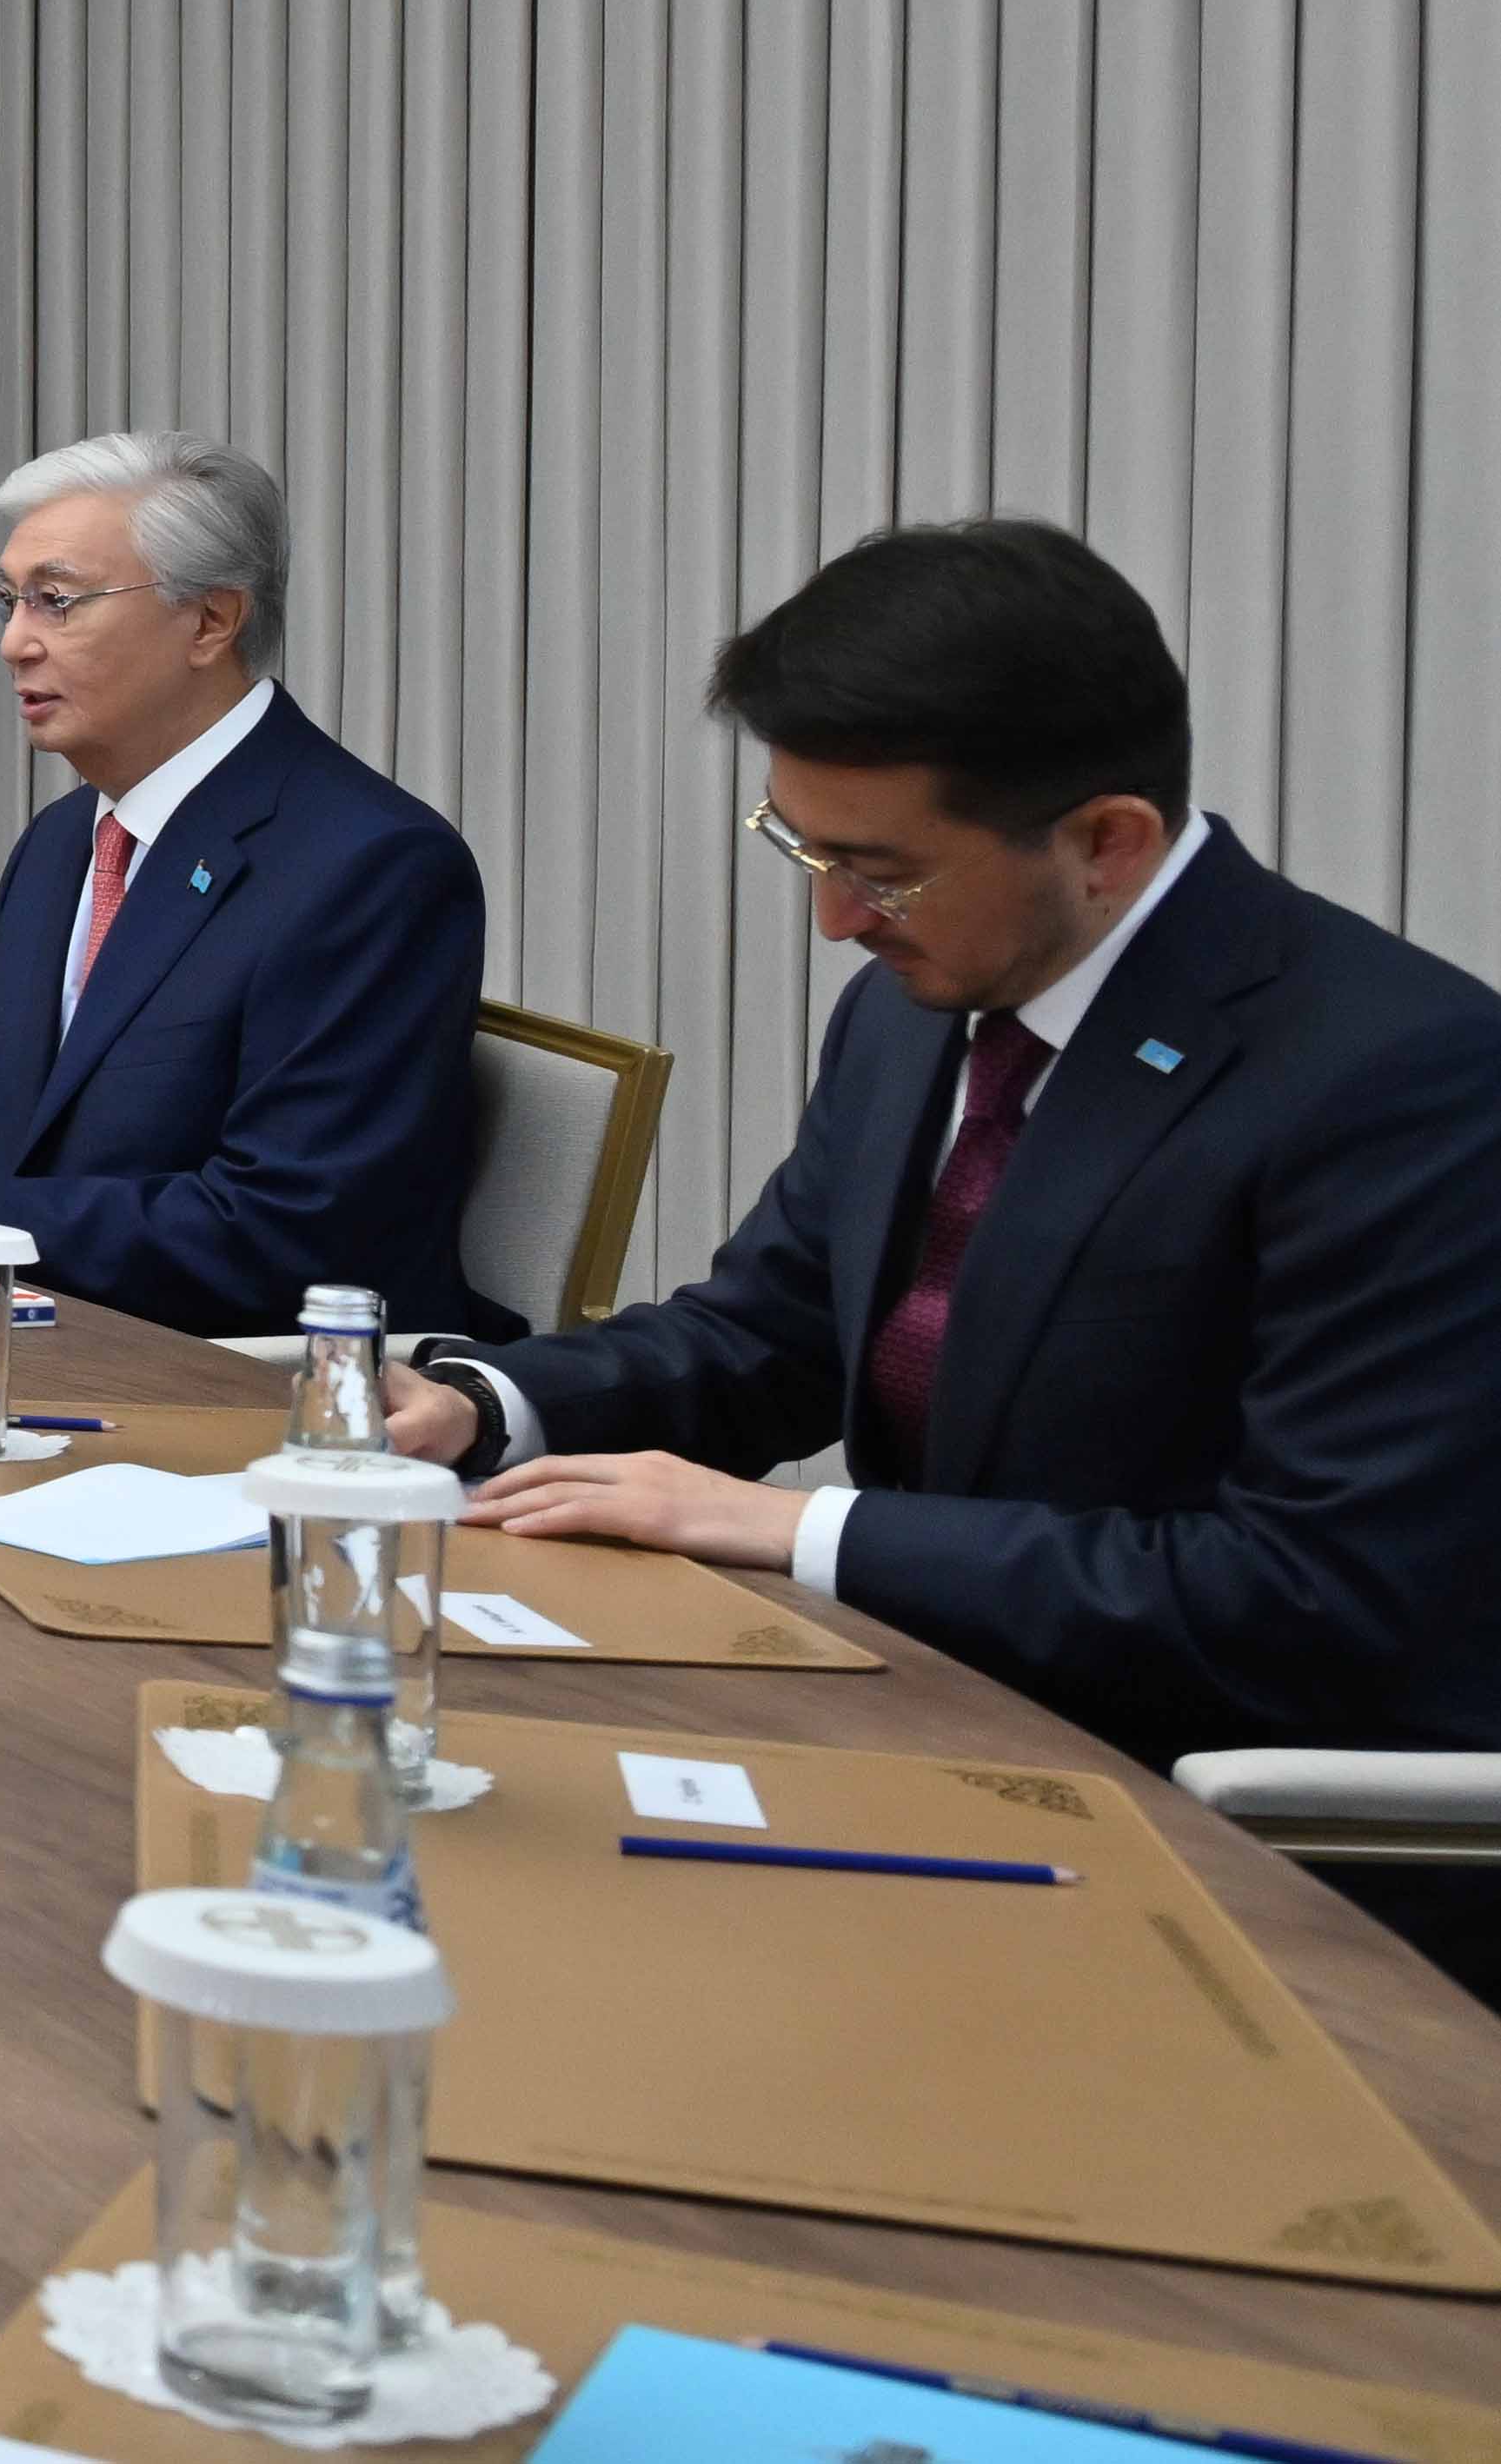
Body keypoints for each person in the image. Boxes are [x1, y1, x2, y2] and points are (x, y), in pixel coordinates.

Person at [379, 523, 1501, 1996]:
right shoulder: (918, 1005)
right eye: (801, 847)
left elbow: (1302, 1595)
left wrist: (797, 1530)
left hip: (1223, 1863)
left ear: (1105, 843)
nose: (833, 921)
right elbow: (769, 1330)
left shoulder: (1398, 1079)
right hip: (916, 1720)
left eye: (880, 872)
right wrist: (482, 1404)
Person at [0, 434, 494, 1334]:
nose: (14, 642)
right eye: (7, 601)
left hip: (232, 1376)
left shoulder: (371, 866)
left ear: (210, 620)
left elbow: (293, 1228)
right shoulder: (66, 840)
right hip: (37, 1334)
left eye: (56, 601)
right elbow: (23, 1114)